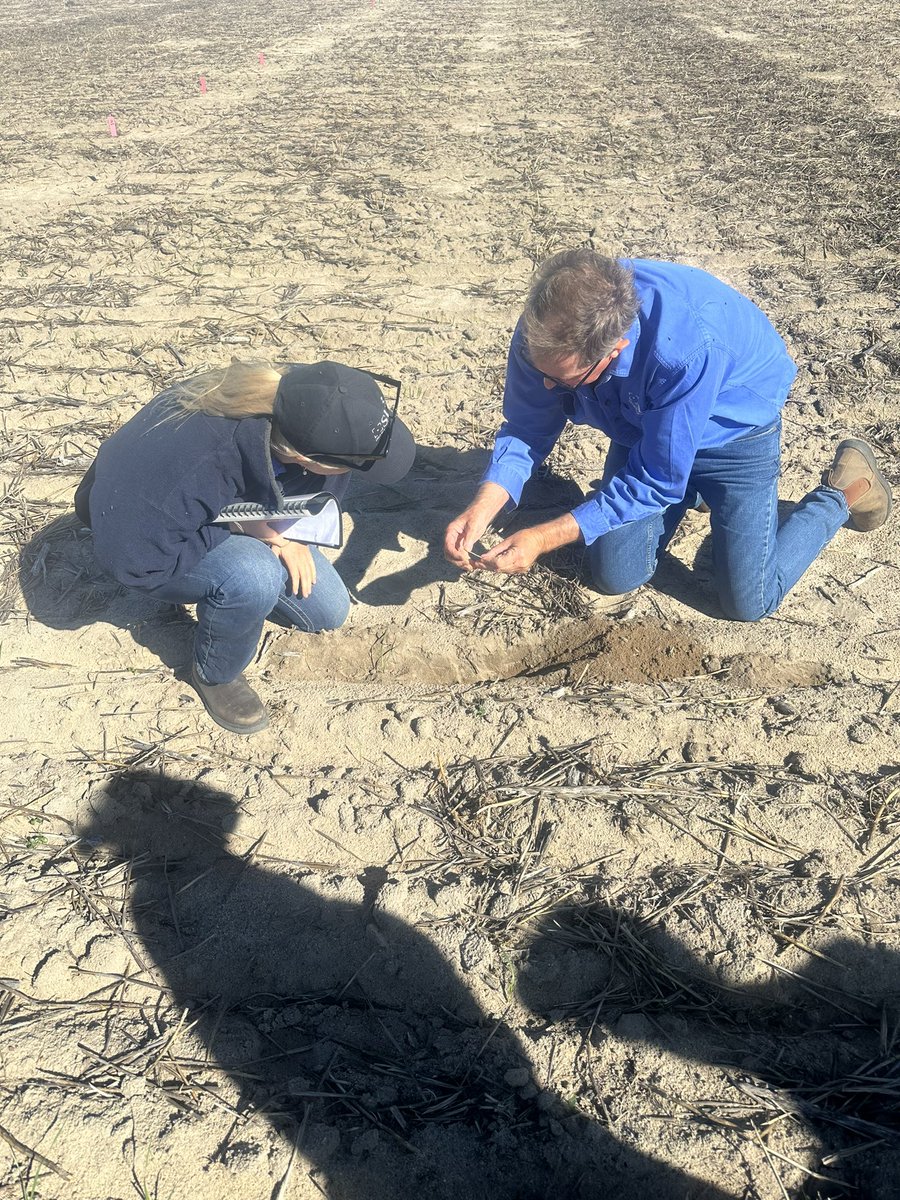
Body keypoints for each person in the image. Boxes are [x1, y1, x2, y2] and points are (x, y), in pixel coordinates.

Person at [444, 250, 892, 619]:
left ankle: (842, 491)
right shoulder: (547, 334)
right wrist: (485, 503)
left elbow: (654, 478)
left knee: (748, 603)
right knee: (615, 574)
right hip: (644, 424)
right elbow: (525, 426)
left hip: (734, 433)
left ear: (613, 350)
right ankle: (694, 492)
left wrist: (541, 538)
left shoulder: (684, 351)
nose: (547, 387)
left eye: (564, 382)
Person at [75, 360, 415, 734]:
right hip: (145, 537)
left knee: (328, 611)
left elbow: (331, 478)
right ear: (306, 458)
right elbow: (134, 563)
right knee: (255, 575)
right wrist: (245, 528)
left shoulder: (308, 398)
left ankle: (243, 569)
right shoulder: (193, 466)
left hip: (219, 509)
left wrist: (294, 535)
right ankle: (215, 674)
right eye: (356, 465)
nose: (356, 472)